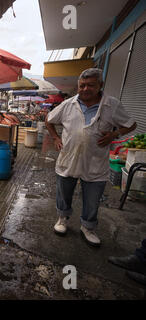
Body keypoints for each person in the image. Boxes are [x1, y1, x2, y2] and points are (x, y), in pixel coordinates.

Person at [45, 68, 137, 246]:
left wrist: (114, 134)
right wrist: (56, 138)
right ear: (78, 86)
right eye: (82, 85)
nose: (85, 89)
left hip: (95, 160)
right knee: (63, 192)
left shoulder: (112, 105)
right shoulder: (68, 104)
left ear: (100, 86)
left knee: (93, 198)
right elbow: (49, 120)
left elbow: (132, 124)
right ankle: (62, 219)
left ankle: (88, 227)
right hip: (69, 157)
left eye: (90, 85)